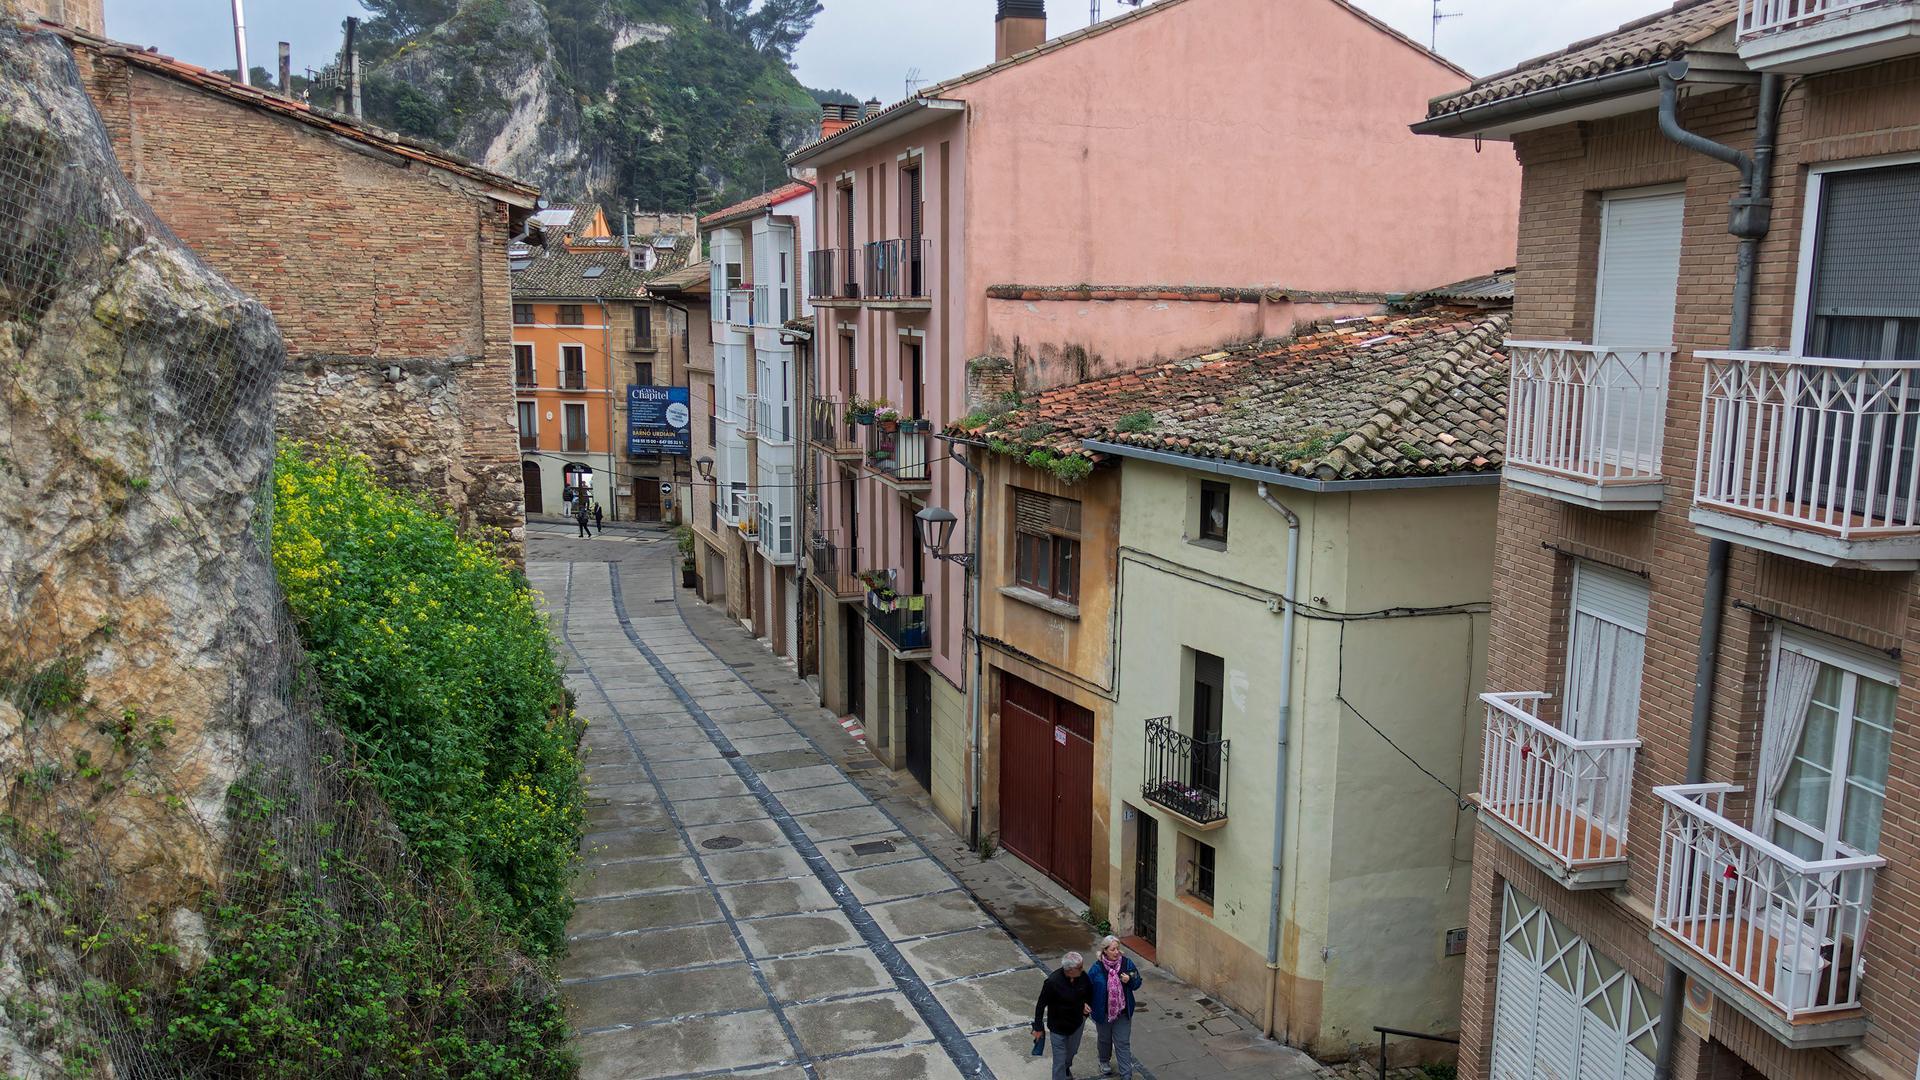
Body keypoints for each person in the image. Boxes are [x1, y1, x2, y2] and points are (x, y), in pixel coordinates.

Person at [1032, 951, 1094, 1080]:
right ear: (1070, 970)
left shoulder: (1082, 977)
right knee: (1059, 1062)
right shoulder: (1053, 982)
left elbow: (1089, 993)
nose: (1083, 969)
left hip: (1077, 1023)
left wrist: (1085, 1005)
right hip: (1058, 1028)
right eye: (1080, 967)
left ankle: (1067, 1068)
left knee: (1071, 1053)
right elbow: (1040, 1005)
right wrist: (1038, 1027)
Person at [1087, 935, 1140, 1078]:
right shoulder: (1096, 968)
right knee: (1104, 1040)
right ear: (1105, 951)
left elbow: (1137, 982)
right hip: (1103, 1013)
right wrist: (1085, 1004)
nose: (1116, 952)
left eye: (1117, 948)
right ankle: (1104, 1061)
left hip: (1122, 1012)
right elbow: (1086, 988)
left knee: (1122, 1043)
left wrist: (1130, 980)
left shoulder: (1127, 964)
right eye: (1113, 949)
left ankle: (1126, 1074)